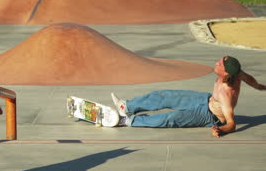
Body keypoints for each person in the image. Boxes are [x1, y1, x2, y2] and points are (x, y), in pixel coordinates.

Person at [111, 56, 265, 137]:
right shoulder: (237, 72)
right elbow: (250, 79)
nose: (216, 63)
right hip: (204, 99)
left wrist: (221, 130)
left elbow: (232, 123)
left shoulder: (226, 94)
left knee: (170, 119)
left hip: (208, 115)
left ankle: (127, 120)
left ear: (226, 74)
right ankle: (126, 106)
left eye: (219, 65)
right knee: (165, 96)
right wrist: (260, 87)